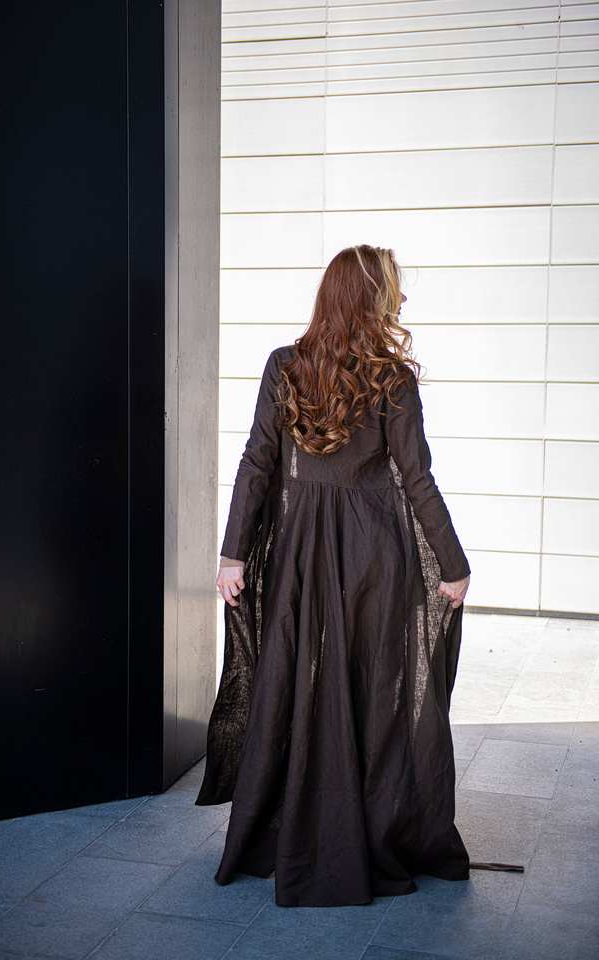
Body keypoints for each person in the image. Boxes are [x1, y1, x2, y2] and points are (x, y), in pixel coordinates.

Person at [195, 244, 472, 907]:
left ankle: (301, 824)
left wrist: (234, 553)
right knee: (374, 692)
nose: (399, 300)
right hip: (375, 553)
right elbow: (417, 477)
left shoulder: (284, 365)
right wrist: (453, 564)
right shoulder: (391, 378)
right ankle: (364, 830)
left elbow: (257, 462)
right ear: (372, 300)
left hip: (301, 554)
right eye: (392, 290)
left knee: (296, 682)